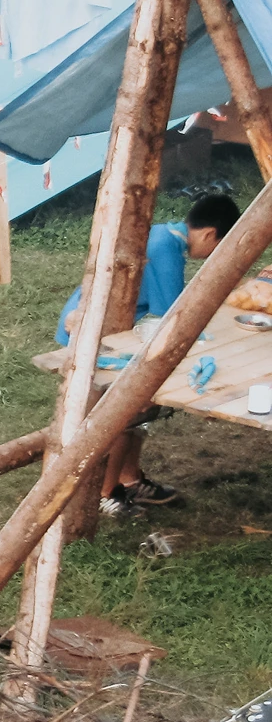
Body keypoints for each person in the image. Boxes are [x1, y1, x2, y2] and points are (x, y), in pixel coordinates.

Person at [54, 193, 239, 509]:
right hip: (94, 334)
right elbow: (173, 319)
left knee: (142, 404)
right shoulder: (166, 251)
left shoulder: (165, 234)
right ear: (210, 234)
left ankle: (129, 478)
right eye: (217, 246)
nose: (211, 255)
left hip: (112, 326)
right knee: (132, 407)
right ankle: (106, 492)